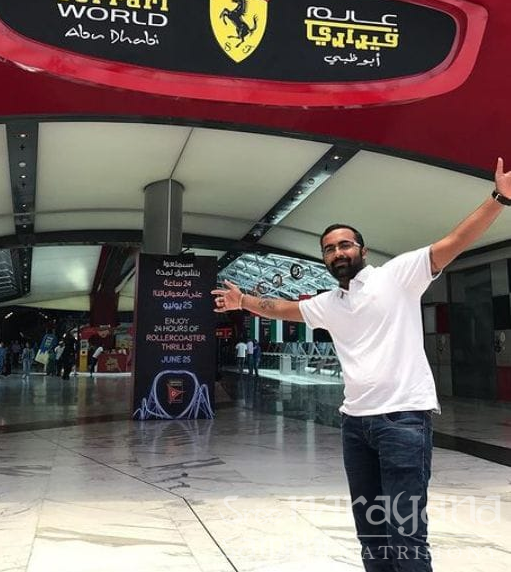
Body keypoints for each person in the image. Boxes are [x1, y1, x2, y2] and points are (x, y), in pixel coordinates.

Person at [212, 158, 511, 572]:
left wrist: (499, 199)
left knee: (406, 534)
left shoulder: (398, 275)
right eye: (330, 248)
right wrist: (243, 301)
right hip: (355, 425)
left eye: (345, 245)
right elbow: (281, 308)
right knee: (370, 534)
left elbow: (455, 241)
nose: (338, 252)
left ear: (362, 250)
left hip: (403, 420)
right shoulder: (328, 304)